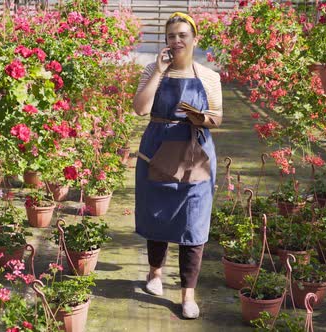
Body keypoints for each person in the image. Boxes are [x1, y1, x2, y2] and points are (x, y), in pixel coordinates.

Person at [132, 12, 223, 319]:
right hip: (157, 150)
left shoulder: (209, 76)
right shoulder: (151, 70)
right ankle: (155, 275)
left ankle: (188, 294)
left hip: (194, 153)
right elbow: (140, 108)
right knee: (157, 212)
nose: (177, 40)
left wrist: (203, 118)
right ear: (166, 40)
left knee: (194, 221)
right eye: (171, 35)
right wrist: (158, 72)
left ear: (194, 39)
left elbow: (218, 117)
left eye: (183, 35)